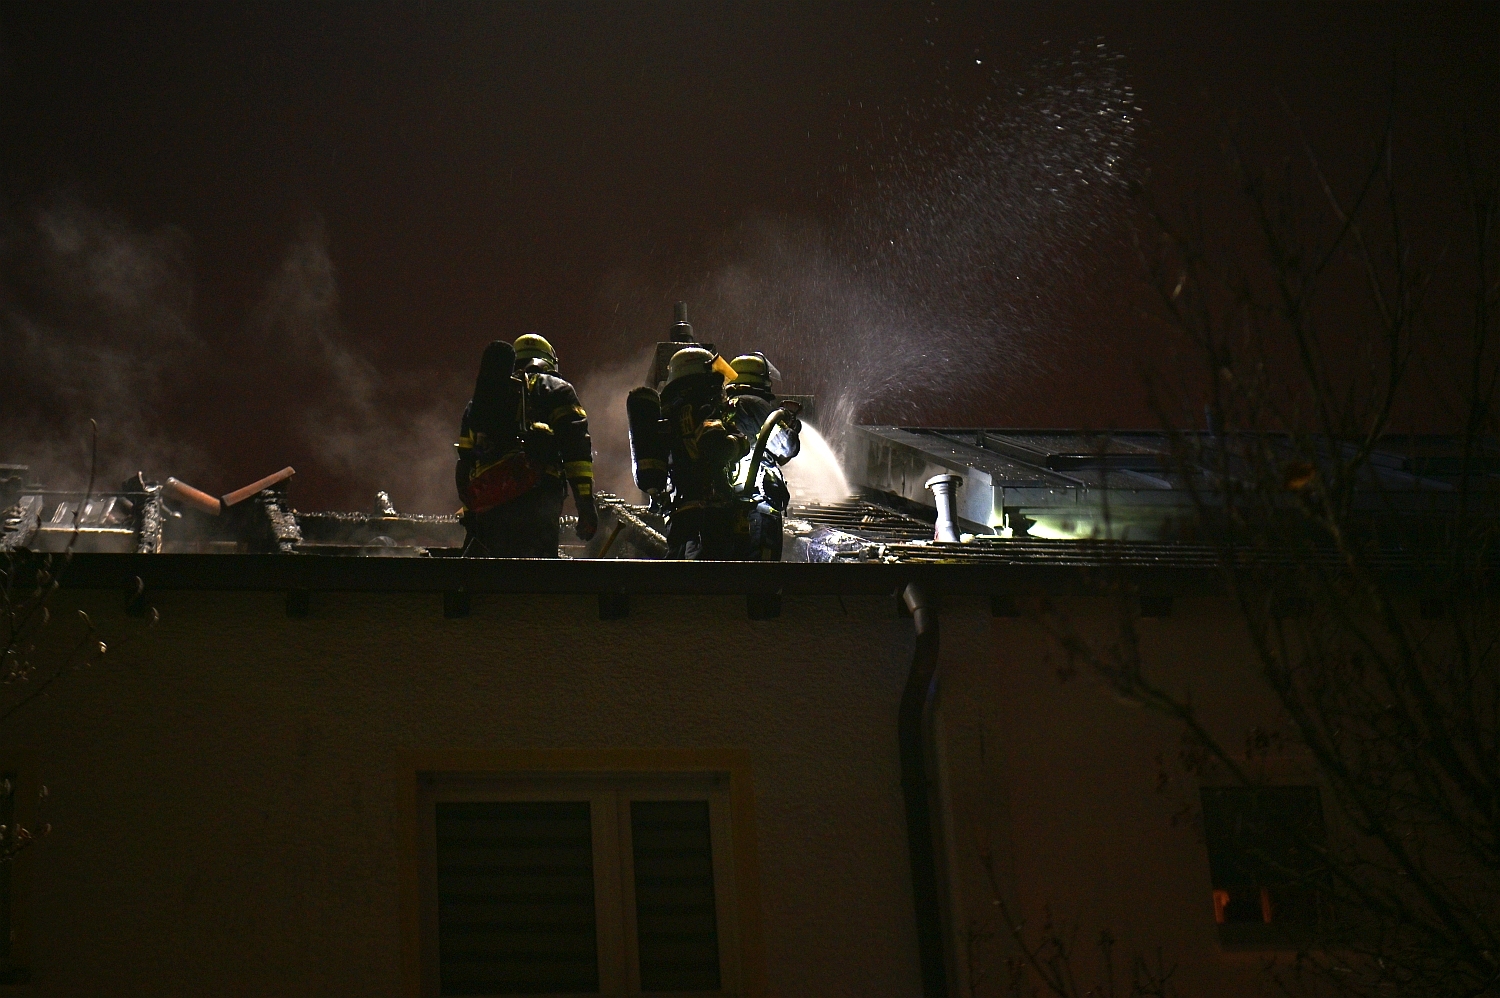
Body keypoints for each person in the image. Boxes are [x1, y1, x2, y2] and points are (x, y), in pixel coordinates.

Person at [455, 334, 597, 557]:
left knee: (490, 573)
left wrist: (471, 511)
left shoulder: (482, 400)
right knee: (536, 572)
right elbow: (576, 453)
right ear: (549, 360)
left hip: (489, 506)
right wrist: (585, 505)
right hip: (538, 502)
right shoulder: (557, 390)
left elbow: (465, 461)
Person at [628, 346, 752, 559]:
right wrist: (740, 443)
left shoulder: (671, 411)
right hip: (709, 515)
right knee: (711, 575)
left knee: (681, 570)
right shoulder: (703, 406)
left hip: (680, 513)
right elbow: (716, 447)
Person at [724, 352, 802, 561]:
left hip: (730, 500)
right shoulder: (756, 404)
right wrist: (791, 428)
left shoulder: (726, 405)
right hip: (758, 503)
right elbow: (786, 447)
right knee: (761, 567)